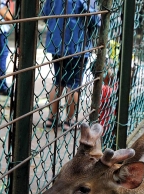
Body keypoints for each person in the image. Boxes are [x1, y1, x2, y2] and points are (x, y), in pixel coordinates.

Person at [41, 0, 100, 131]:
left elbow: (45, 13)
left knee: (58, 80)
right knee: (74, 84)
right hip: (77, 44)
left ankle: (52, 117)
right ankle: (69, 120)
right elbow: (94, 20)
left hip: (57, 42)